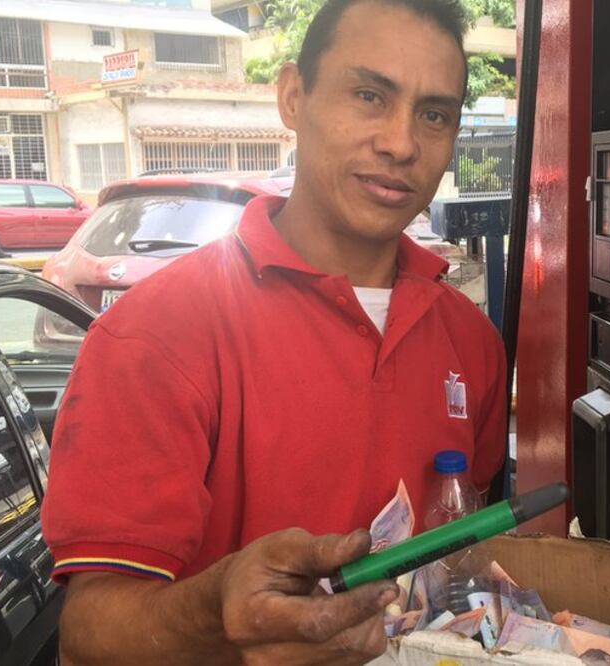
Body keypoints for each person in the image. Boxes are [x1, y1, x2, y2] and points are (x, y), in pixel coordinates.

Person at [40, 0, 507, 662]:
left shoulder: (470, 340)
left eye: (434, 114)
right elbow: (88, 634)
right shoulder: (155, 336)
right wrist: (215, 615)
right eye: (369, 95)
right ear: (294, 96)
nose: (402, 143)